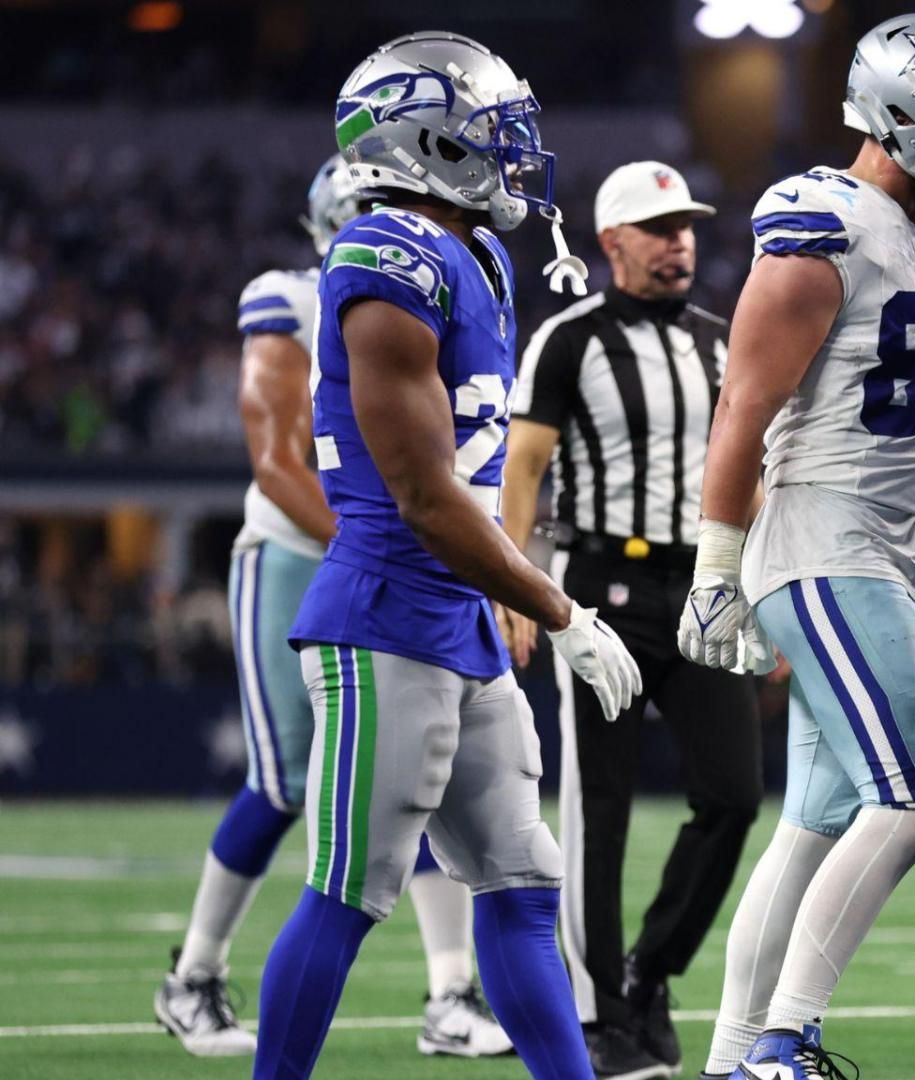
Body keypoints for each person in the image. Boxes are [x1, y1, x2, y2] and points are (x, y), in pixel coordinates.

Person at [250, 31, 641, 1080]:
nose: (513, 152)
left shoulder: (470, 252)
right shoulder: (384, 257)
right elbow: (425, 498)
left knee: (521, 882)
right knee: (349, 888)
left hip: (457, 621)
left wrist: (512, 594)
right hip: (384, 616)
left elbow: (467, 481)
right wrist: (562, 609)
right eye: (491, 132)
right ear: (424, 142)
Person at [676, 12, 915, 1079]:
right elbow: (742, 411)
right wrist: (715, 571)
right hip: (822, 540)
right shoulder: (819, 228)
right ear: (899, 115)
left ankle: (739, 1058)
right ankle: (784, 1040)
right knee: (914, 799)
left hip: (890, 546)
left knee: (819, 821)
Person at [154, 155, 511, 1061]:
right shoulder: (290, 297)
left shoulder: (456, 281)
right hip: (304, 556)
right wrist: (385, 539)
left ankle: (448, 994)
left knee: (422, 784)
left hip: (408, 565)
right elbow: (277, 461)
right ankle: (191, 976)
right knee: (281, 783)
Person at [501, 160, 761, 1080]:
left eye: (686, 225)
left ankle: (649, 971)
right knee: (597, 808)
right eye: (658, 228)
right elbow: (523, 467)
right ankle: (600, 1014)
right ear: (612, 242)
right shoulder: (569, 337)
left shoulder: (723, 342)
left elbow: (754, 470)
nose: (679, 241)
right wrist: (518, 582)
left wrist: (758, 586)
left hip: (701, 587)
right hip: (600, 586)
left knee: (734, 791)